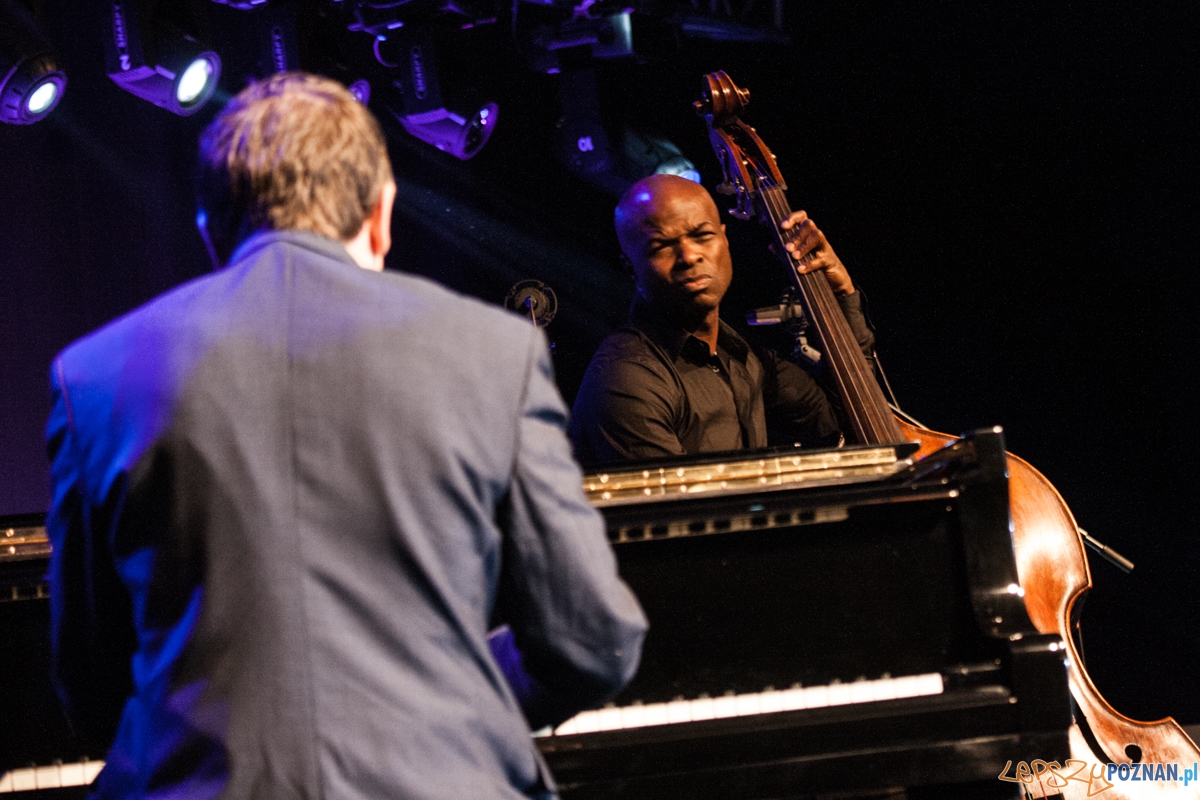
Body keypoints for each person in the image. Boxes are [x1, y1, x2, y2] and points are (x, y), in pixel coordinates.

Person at [45, 72, 646, 800]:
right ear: (382, 213)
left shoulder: (94, 379)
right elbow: (591, 643)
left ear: (211, 229)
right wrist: (440, 701)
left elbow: (92, 688)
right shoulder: (495, 352)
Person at [569, 174, 875, 464]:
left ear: (724, 240)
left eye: (702, 236)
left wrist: (840, 293)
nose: (689, 256)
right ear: (630, 267)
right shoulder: (627, 380)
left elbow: (844, 417)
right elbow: (686, 514)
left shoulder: (739, 356)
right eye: (661, 245)